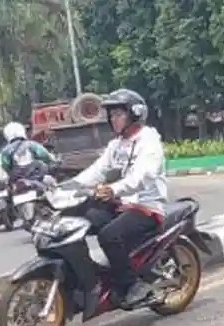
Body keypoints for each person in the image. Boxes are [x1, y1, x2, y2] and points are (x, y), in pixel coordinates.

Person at [67, 88, 168, 308]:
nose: (113, 119)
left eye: (118, 114)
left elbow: (144, 175)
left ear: (135, 114)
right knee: (83, 219)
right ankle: (90, 280)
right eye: (111, 115)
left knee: (109, 235)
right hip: (121, 205)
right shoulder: (116, 145)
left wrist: (114, 189)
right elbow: (96, 171)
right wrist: (67, 188)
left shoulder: (148, 141)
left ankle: (132, 286)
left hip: (145, 208)